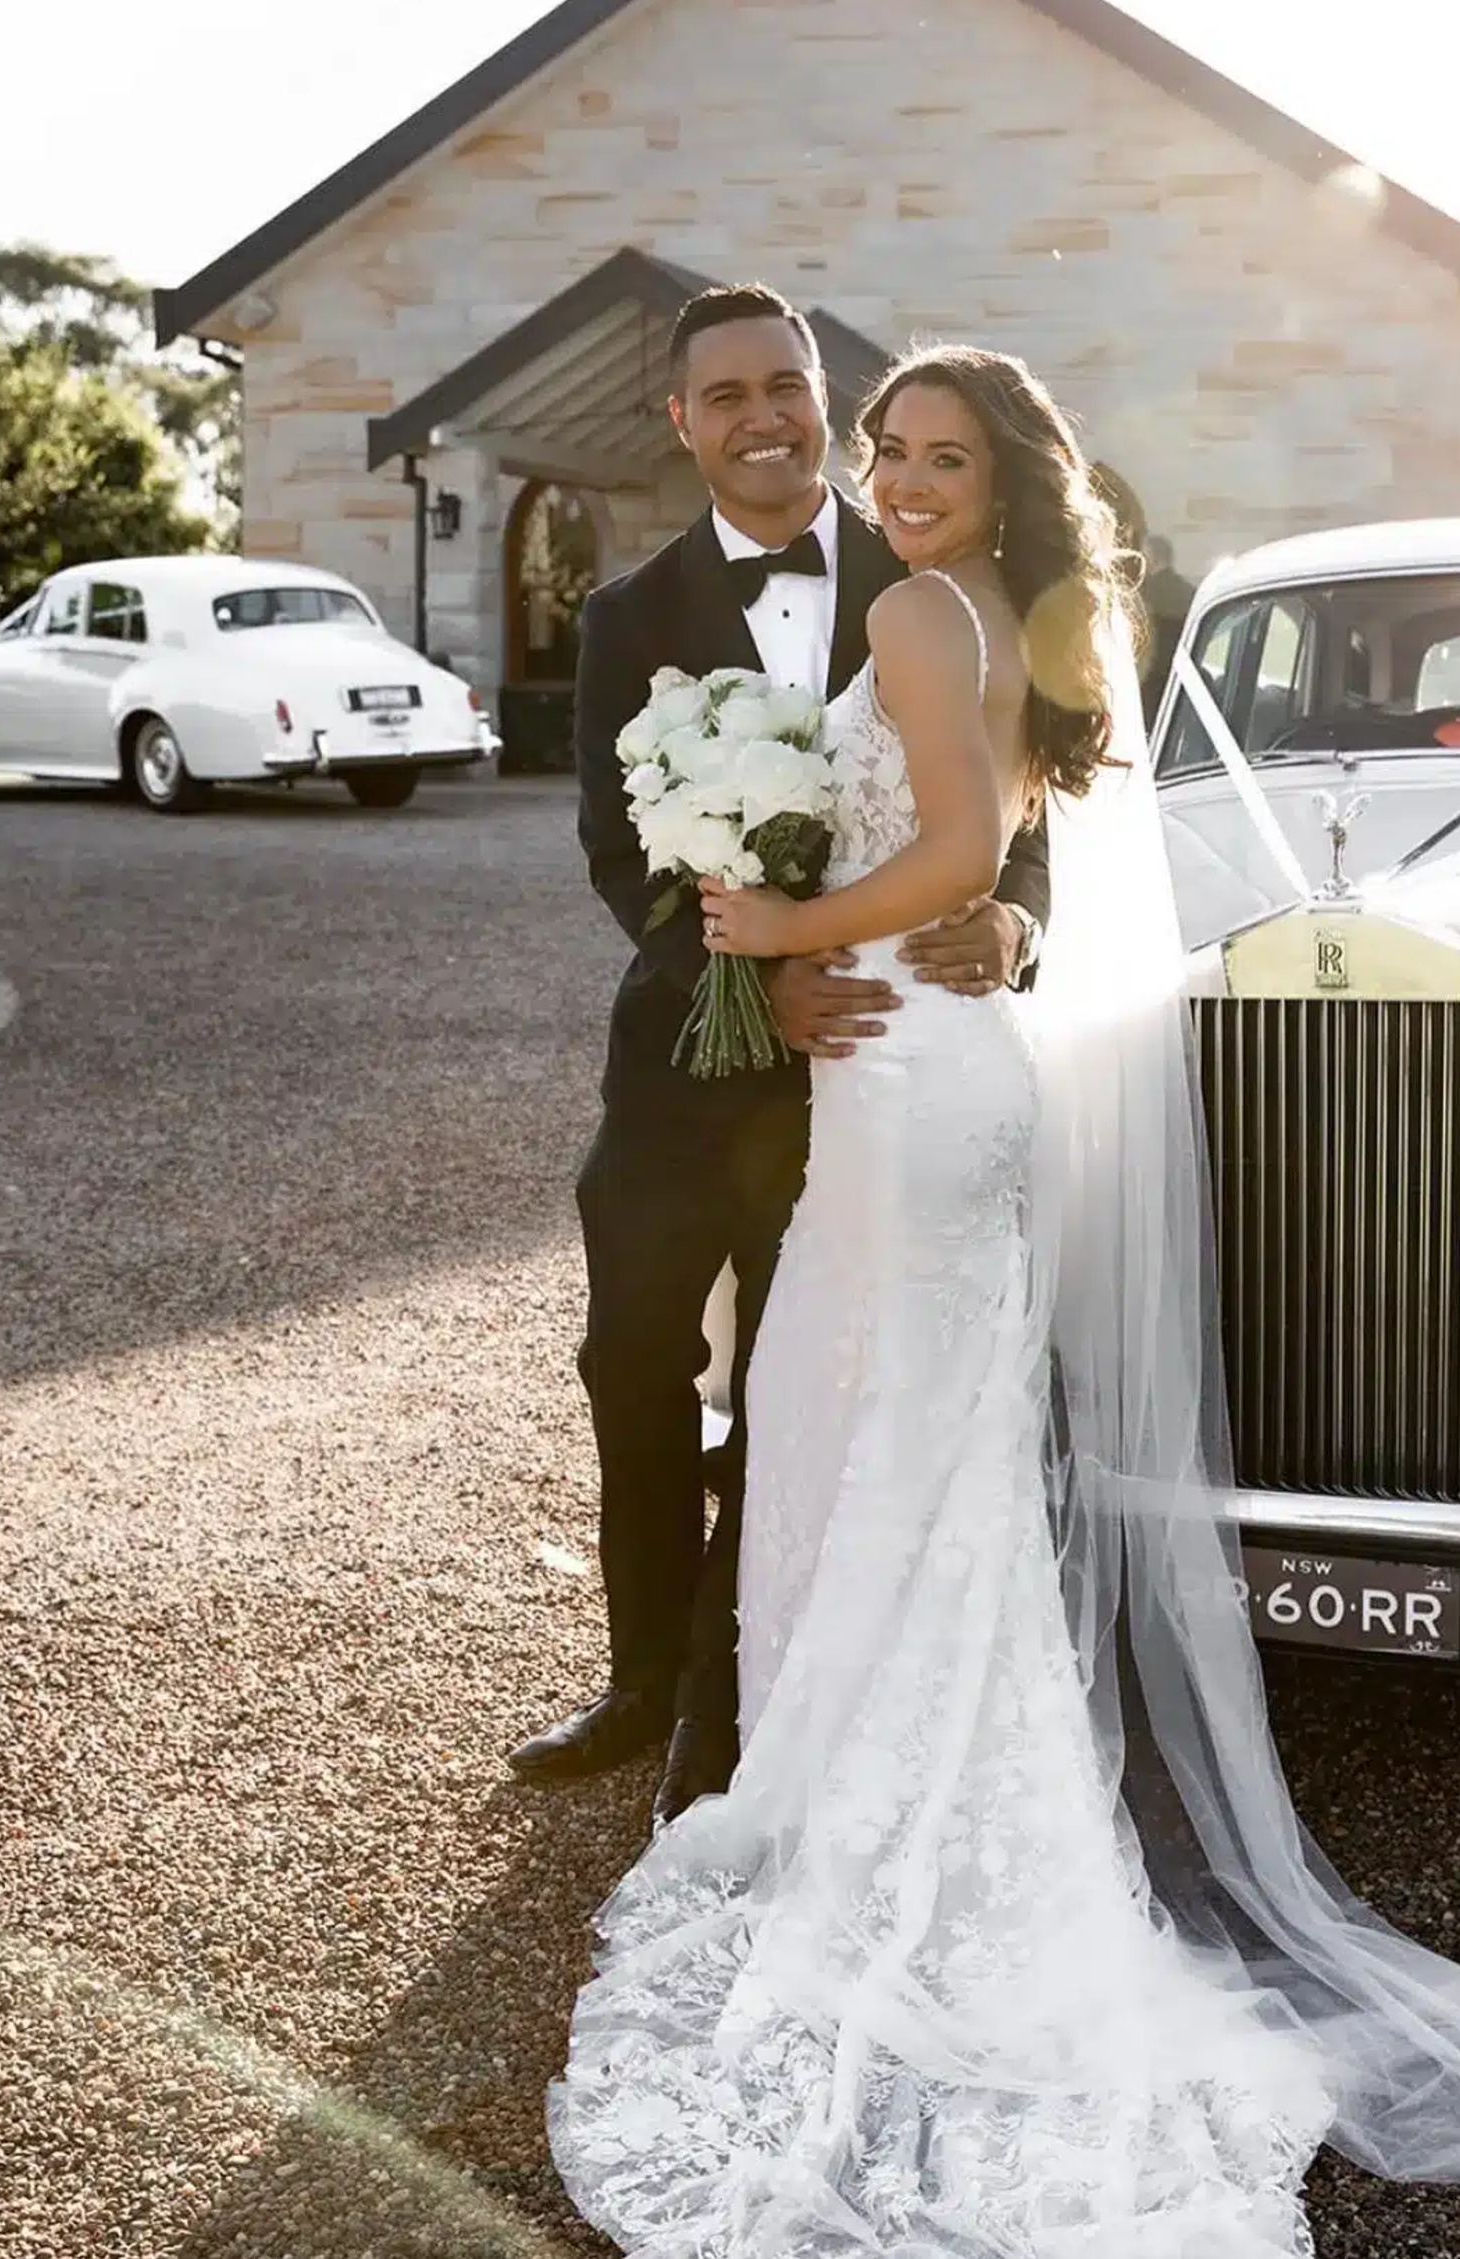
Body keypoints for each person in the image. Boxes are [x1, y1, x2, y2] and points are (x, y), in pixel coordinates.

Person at [548, 341, 1460, 2254]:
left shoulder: (928, 606)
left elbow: (959, 853)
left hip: (918, 1076)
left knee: (890, 1428)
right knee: (906, 1431)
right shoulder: (986, 611)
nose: (899, 476)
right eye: (886, 449)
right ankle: (809, 1758)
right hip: (912, 1070)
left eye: (937, 453)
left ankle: (858, 1806)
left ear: (1002, 479)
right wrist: (818, 940)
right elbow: (1004, 852)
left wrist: (797, 921)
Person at [508, 286, 1048, 1825]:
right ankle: (639, 1675)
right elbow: (627, 856)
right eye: (727, 393)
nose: (764, 415)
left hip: (870, 1078)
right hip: (687, 1073)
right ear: (681, 422)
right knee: (633, 1358)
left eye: (788, 385)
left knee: (805, 1376)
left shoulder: (928, 557)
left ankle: (737, 1695)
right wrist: (757, 978)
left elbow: (1024, 801)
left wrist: (1015, 928)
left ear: (827, 396)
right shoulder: (628, 615)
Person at [1137, 529, 1196, 725]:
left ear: (1153, 558)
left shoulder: (1144, 593)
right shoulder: (1189, 591)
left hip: (1151, 679)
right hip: (1182, 675)